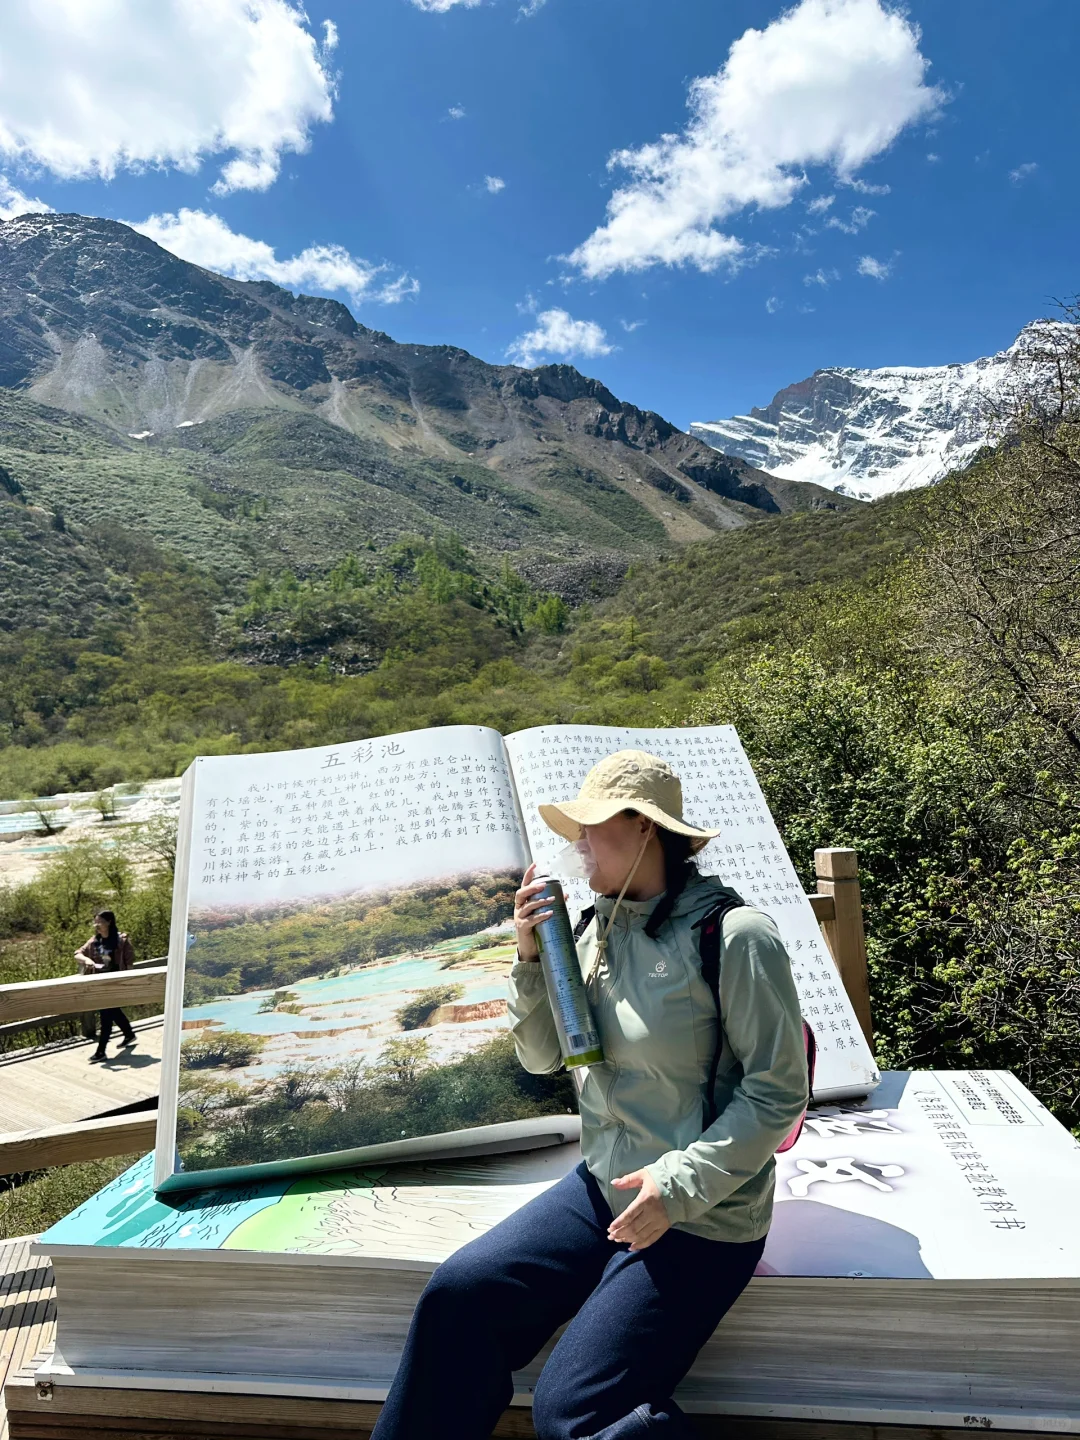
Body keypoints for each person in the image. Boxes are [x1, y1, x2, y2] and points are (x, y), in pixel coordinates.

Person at [371, 750, 809, 1440]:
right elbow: (542, 1055)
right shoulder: (590, 930)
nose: (576, 842)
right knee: (460, 1298)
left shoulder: (733, 935)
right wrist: (527, 956)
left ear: (643, 827)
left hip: (703, 1213)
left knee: (575, 1412)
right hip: (602, 1186)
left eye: (591, 825)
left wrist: (678, 1184)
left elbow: (778, 1092)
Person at [75, 910, 137, 1063]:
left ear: (109, 922)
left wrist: (128, 984)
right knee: (113, 1012)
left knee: (106, 1017)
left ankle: (100, 1051)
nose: (97, 925)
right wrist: (87, 960)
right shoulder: (94, 941)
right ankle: (128, 1034)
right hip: (100, 984)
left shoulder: (121, 941)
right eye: (95, 922)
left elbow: (129, 963)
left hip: (116, 983)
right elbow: (77, 953)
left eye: (100, 922)